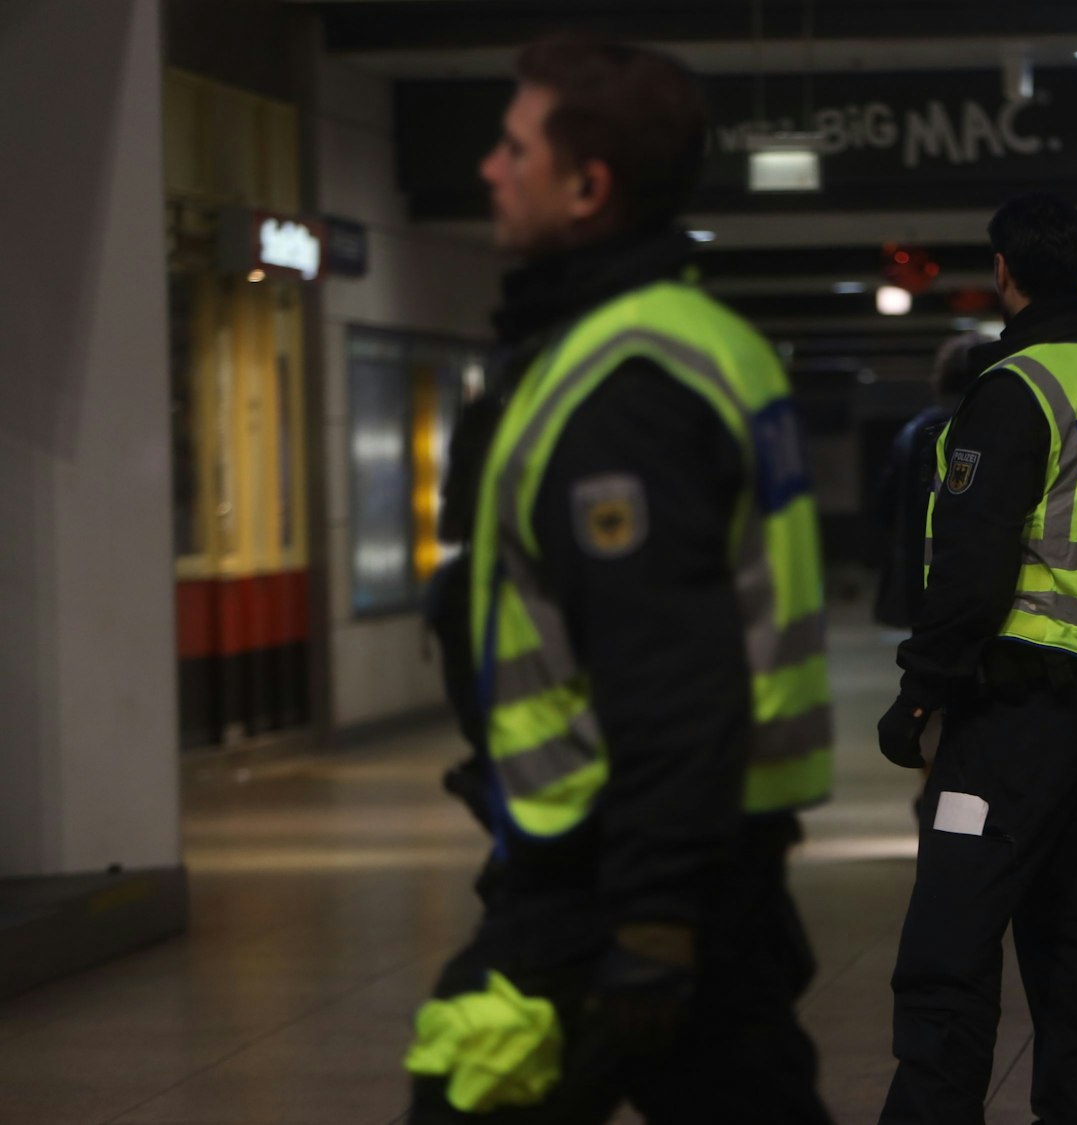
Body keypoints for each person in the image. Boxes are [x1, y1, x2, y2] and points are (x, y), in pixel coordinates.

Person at [403, 34, 834, 1124]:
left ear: (587, 186)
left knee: (468, 1082)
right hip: (688, 857)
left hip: (617, 870)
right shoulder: (668, 344)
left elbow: (672, 668)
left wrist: (650, 919)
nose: (490, 170)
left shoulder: (625, 386)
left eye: (513, 148)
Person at [875, 194, 1077, 1125]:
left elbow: (973, 572)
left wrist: (917, 696)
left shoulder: (1015, 390)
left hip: (1010, 712)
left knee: (950, 939)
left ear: (1004, 275)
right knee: (1076, 938)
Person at [872, 332, 989, 630]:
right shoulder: (1001, 429)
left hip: (920, 585)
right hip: (987, 586)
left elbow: (884, 509)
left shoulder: (913, 434)